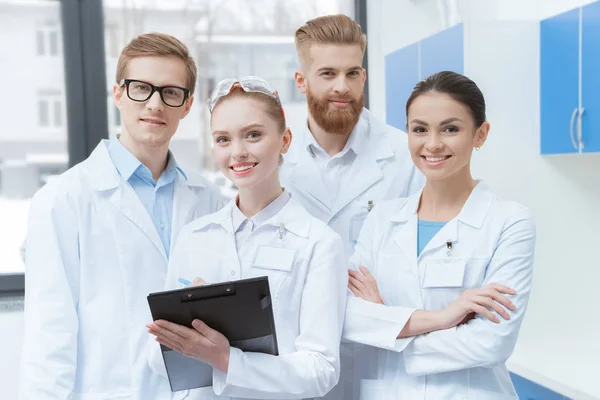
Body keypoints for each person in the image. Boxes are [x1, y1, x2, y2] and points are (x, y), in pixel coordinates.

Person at [19, 33, 223, 399]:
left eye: (171, 92)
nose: (155, 105)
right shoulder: (63, 200)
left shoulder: (208, 198)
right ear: (118, 94)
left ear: (188, 104)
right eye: (141, 88)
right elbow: (48, 336)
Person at [147, 77, 347, 399]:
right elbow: (158, 361)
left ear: (285, 140)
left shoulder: (319, 243)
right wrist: (183, 333)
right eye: (223, 139)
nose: (238, 152)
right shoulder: (194, 237)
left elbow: (321, 370)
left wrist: (225, 359)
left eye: (253, 135)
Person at [343, 71, 536, 399]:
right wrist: (443, 318)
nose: (432, 144)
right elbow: (347, 319)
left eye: (450, 128)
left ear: (480, 134)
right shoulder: (382, 219)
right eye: (419, 129)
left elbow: (491, 343)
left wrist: (387, 326)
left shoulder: (509, 222)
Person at [279, 14, 424, 399]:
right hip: (300, 361)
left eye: (353, 73)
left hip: (383, 361)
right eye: (327, 73)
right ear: (302, 81)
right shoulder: (274, 163)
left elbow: (424, 265)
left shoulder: (404, 157)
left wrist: (382, 312)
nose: (342, 87)